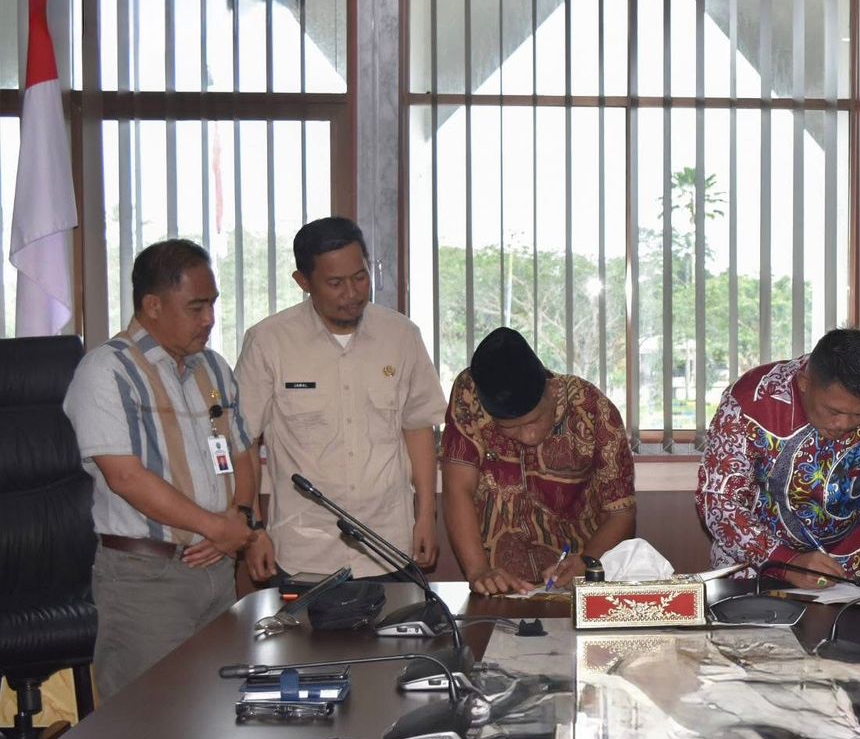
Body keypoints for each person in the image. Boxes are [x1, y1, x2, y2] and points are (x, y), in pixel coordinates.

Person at [63, 239, 263, 698]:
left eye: (212, 304)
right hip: (146, 579)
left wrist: (240, 516)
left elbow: (241, 451)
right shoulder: (107, 371)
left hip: (217, 569)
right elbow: (126, 477)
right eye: (196, 307)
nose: (209, 319)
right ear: (153, 305)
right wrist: (216, 527)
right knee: (147, 718)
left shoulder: (213, 368)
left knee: (220, 711)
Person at [236, 217, 446, 583]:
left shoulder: (401, 336)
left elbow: (417, 428)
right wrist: (254, 529)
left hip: (389, 547)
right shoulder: (269, 342)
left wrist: (426, 514)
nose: (352, 293)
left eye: (360, 277)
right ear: (303, 282)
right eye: (335, 283)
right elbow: (244, 441)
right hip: (304, 552)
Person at [697, 328, 860, 589]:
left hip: (854, 575)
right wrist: (785, 562)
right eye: (834, 411)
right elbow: (719, 503)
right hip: (757, 570)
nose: (844, 424)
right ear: (804, 383)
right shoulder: (749, 401)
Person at [442, 327, 637, 594]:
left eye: (534, 420)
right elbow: (457, 488)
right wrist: (478, 570)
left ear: (553, 390)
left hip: (577, 579)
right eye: (510, 428)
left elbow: (620, 512)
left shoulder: (592, 409)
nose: (528, 436)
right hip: (500, 584)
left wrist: (587, 562)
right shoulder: (470, 394)